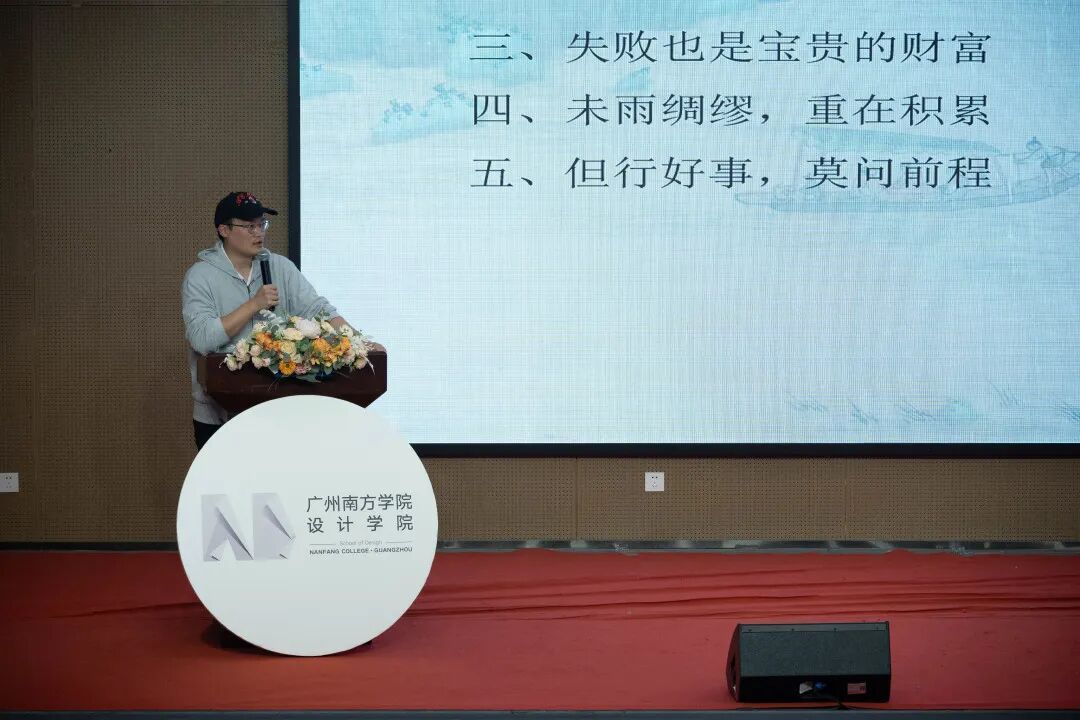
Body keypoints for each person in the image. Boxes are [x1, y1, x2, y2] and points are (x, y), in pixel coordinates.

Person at [182, 192, 349, 449]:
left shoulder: (280, 267)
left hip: (278, 412)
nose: (259, 232)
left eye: (262, 224)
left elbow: (318, 309)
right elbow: (202, 339)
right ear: (224, 230)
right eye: (249, 226)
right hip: (218, 416)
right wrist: (254, 304)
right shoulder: (200, 276)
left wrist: (356, 341)